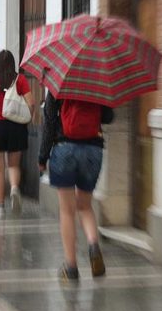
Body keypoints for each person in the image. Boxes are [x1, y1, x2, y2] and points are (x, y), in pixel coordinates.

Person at [38, 92, 114, 281]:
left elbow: (48, 121)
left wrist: (43, 156)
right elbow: (108, 117)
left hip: (64, 148)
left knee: (67, 211)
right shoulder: (97, 82)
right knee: (85, 206)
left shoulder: (58, 84)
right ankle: (93, 244)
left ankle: (71, 267)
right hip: (93, 150)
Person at [0, 50, 34, 219]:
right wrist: (27, 118)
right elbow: (31, 102)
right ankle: (14, 188)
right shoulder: (20, 80)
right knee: (13, 165)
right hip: (16, 125)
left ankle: (0, 207)